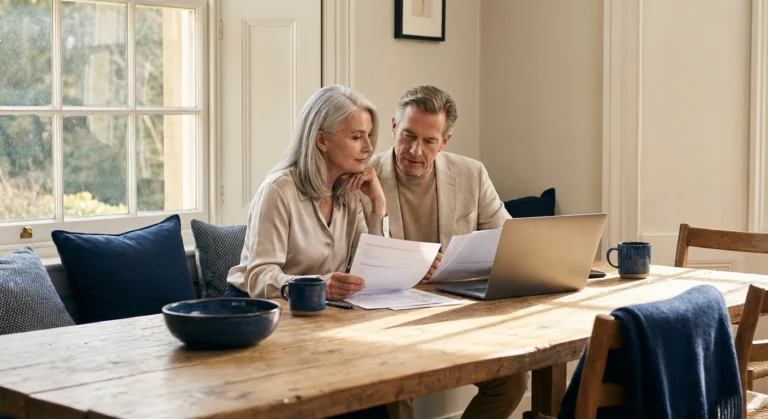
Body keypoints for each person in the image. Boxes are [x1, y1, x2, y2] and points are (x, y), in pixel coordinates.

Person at [361, 85, 527, 419]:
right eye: (407, 135)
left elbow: (512, 242)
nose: (415, 150)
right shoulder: (364, 178)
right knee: (392, 387)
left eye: (429, 141)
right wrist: (409, 267)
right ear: (393, 127)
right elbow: (356, 256)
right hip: (386, 318)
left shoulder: (472, 174)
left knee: (512, 380)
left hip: (456, 312)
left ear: (445, 141)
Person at [225, 85, 388, 303]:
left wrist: (378, 204)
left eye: (369, 136)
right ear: (322, 140)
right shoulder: (278, 190)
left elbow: (372, 269)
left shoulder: (349, 194)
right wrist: (318, 285)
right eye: (357, 137)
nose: (368, 147)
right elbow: (259, 277)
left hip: (318, 309)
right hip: (257, 308)